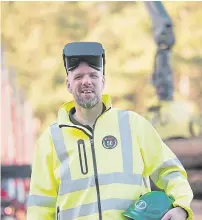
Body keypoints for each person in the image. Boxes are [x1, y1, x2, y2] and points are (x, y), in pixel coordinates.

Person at [27, 42, 193, 220]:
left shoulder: (133, 125)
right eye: (78, 77)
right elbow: (40, 207)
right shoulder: (50, 140)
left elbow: (170, 171)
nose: (86, 81)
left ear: (103, 81)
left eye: (93, 75)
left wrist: (181, 206)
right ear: (68, 84)